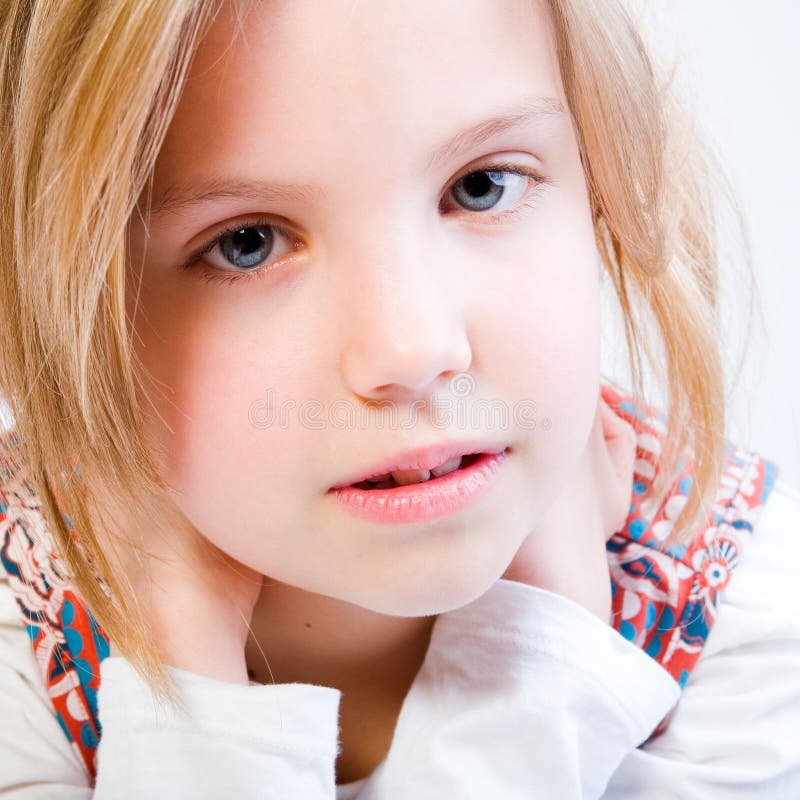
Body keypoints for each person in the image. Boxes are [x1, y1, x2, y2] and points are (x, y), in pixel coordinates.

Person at [0, 0, 797, 797]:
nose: (413, 350)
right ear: (63, 303)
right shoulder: (22, 626)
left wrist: (530, 676)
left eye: (481, 187)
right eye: (248, 243)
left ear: (605, 186)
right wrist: (187, 698)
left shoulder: (753, 627)